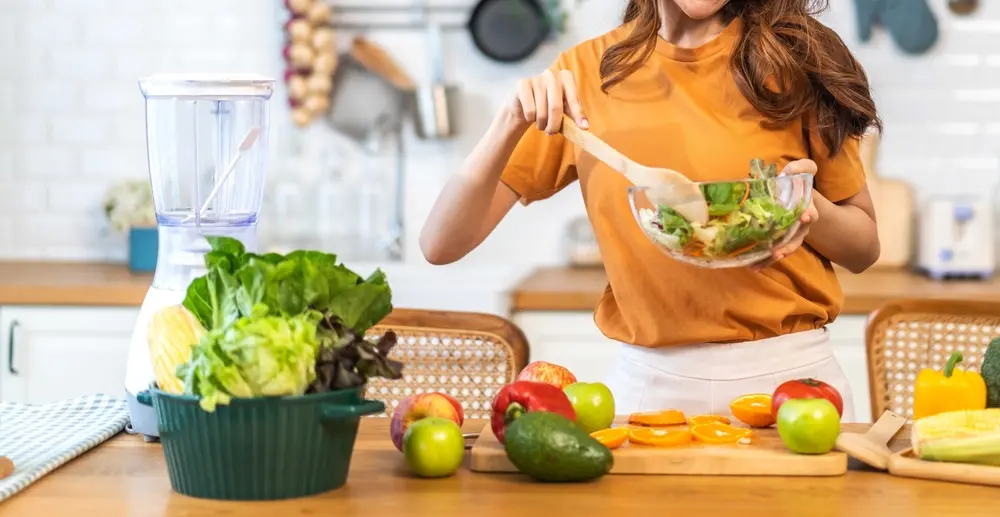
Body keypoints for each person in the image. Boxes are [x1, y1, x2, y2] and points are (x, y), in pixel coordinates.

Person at [419, 0, 880, 422]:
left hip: (792, 386)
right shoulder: (583, 76)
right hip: (650, 391)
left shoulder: (795, 61)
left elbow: (864, 249)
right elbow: (441, 244)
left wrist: (803, 203)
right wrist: (510, 120)